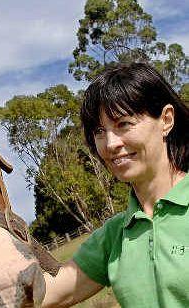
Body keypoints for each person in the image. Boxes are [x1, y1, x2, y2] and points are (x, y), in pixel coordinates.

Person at [42, 62, 189, 307]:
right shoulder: (114, 237)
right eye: (100, 131)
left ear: (166, 120)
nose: (110, 144)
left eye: (123, 124)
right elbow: (44, 295)